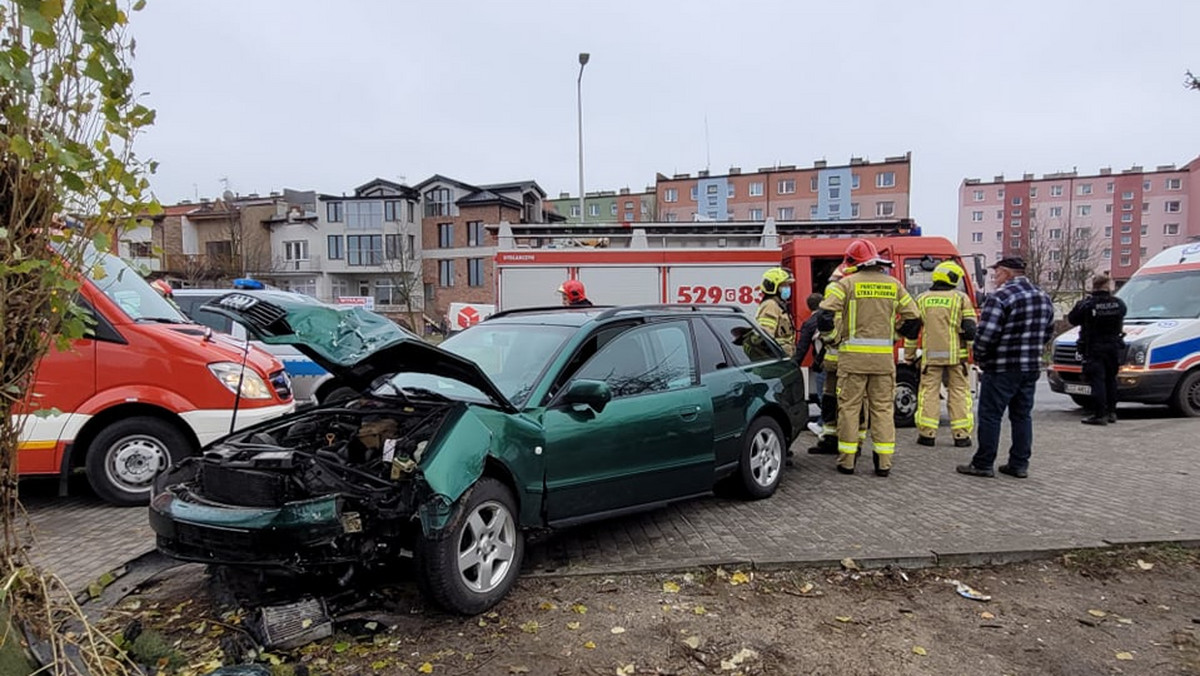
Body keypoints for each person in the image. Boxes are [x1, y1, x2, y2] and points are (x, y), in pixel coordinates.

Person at [817, 240, 921, 477]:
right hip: (883, 361)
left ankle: (847, 461)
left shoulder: (845, 285)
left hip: (852, 360)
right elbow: (913, 319)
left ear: (853, 262)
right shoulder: (894, 285)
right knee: (883, 410)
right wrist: (892, 337)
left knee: (849, 409)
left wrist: (832, 338)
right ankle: (883, 463)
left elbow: (824, 315)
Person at [957, 257, 1055, 479]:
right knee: (1022, 416)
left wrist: (980, 356)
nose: (995, 278)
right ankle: (1019, 464)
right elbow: (1048, 331)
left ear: (1007, 273)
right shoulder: (1043, 296)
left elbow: (987, 334)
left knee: (990, 415)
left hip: (1001, 367)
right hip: (1030, 367)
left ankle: (983, 463)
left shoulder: (1000, 297)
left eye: (997, 274)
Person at [904, 261, 978, 447]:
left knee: (928, 393)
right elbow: (970, 330)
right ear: (952, 278)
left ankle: (927, 434)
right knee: (959, 393)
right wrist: (974, 353)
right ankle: (961, 436)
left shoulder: (922, 299)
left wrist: (909, 355)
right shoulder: (961, 299)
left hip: (931, 358)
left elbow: (912, 331)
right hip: (957, 358)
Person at [1068, 272, 1127, 425]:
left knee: (1097, 380)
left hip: (1094, 346)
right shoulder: (1119, 303)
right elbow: (1122, 316)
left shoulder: (1087, 304)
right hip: (1114, 346)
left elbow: (1072, 319)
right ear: (1108, 286)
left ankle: (1099, 415)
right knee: (1111, 379)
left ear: (1094, 286)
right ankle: (1112, 412)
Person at [794, 292, 826, 437]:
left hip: (823, 365)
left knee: (823, 396)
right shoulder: (833, 318)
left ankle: (822, 425)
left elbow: (802, 348)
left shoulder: (810, 323)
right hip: (839, 363)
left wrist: (794, 365)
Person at [754, 267, 796, 358]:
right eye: (784, 285)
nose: (788, 288)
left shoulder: (778, 305)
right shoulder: (770, 305)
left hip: (783, 357)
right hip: (775, 358)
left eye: (788, 285)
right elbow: (765, 337)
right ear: (773, 287)